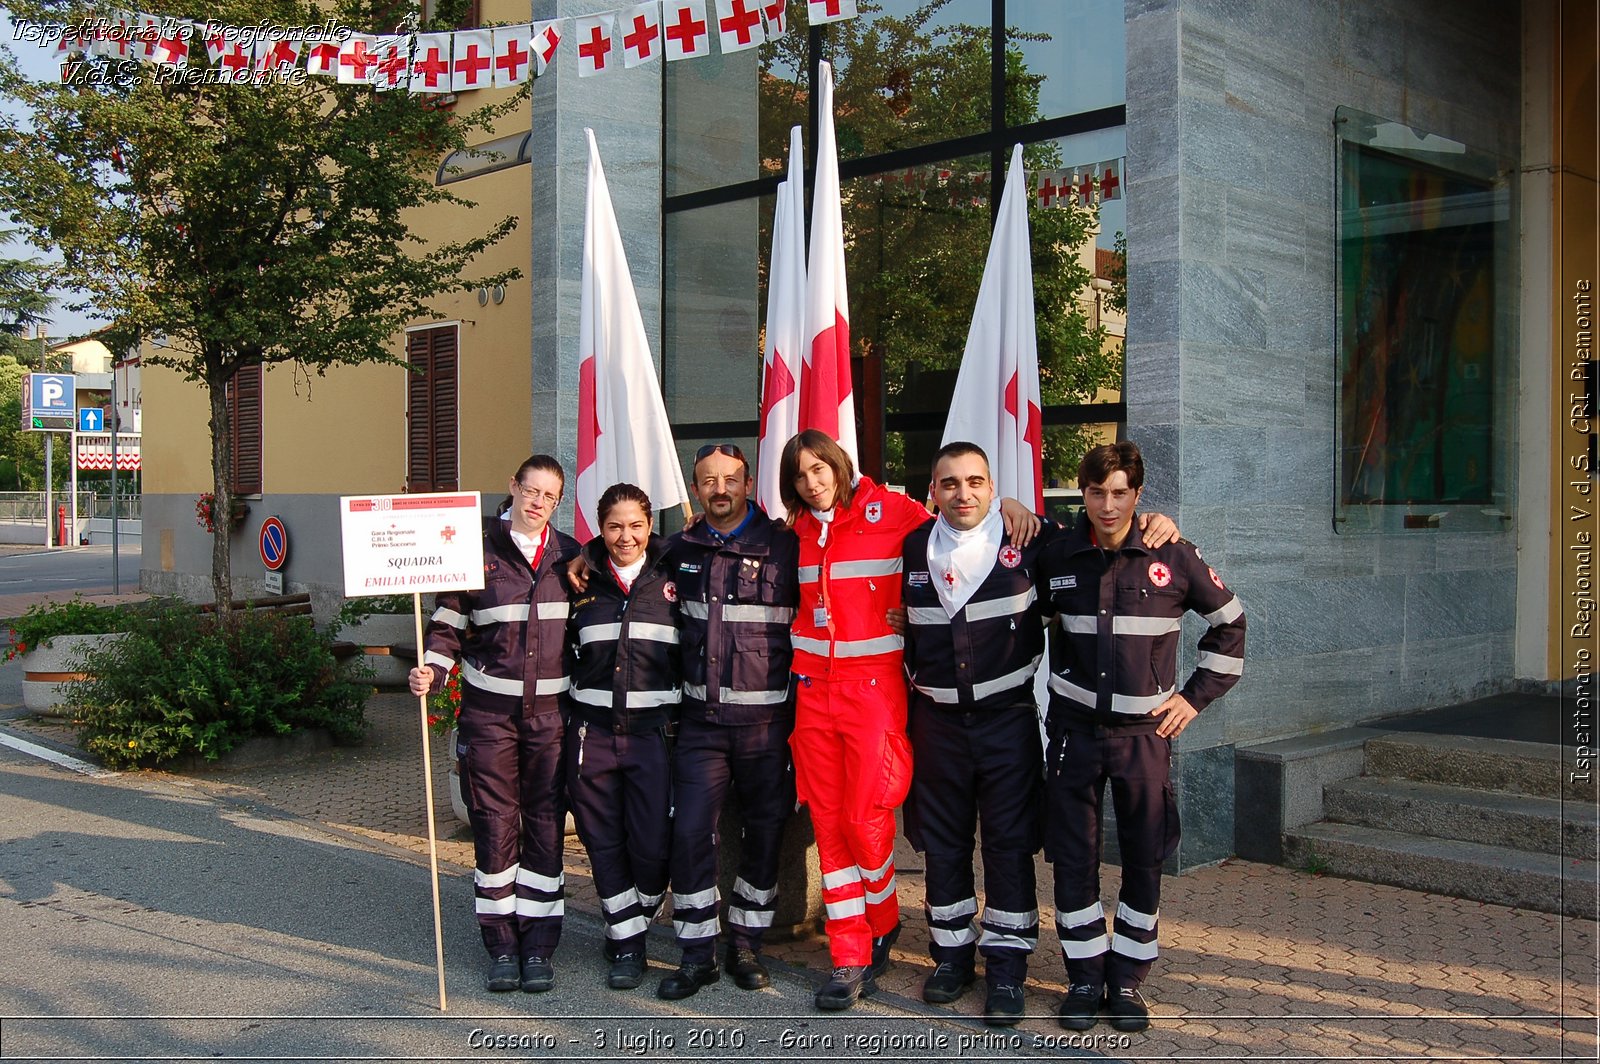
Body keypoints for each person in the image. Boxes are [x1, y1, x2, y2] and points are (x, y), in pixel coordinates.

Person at [902, 442, 1178, 1026]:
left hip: (1007, 722)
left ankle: (1006, 968)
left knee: (1008, 843)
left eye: (977, 482)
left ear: (992, 486)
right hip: (937, 725)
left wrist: (1155, 521)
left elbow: (1103, 534)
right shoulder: (909, 547)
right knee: (943, 844)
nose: (963, 493)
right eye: (949, 483)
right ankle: (952, 957)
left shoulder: (1032, 543)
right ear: (933, 490)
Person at [780, 428, 1041, 1011]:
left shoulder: (893, 511)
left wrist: (1010, 506)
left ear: (839, 464)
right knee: (829, 824)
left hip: (874, 695)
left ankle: (884, 924)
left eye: (820, 468)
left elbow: (961, 517)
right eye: (800, 474)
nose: (813, 482)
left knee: (865, 816)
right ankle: (852, 953)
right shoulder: (793, 530)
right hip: (812, 697)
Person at [1036, 441, 1246, 1034]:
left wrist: (1192, 698)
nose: (1108, 505)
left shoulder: (1171, 555)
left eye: (1120, 492)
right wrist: (1006, 503)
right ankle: (1082, 977)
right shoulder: (1057, 553)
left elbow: (1232, 624)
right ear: (1082, 492)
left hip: (1143, 739)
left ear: (1138, 494)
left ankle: (1126, 980)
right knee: (1073, 859)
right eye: (1097, 492)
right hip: (1073, 734)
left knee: (1144, 860)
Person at [408, 455, 581, 995]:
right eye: (530, 490)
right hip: (490, 720)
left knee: (546, 825)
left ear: (558, 502)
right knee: (495, 824)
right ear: (513, 487)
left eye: (549, 496)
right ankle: (502, 945)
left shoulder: (573, 557)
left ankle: (539, 946)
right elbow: (447, 624)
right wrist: (432, 670)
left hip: (551, 720)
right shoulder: (472, 547)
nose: (538, 502)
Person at [654, 443, 799, 1001]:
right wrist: (582, 558)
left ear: (749, 482)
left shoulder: (787, 547)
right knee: (690, 833)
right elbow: (621, 556)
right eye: (709, 480)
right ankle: (696, 952)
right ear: (696, 489)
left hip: (767, 727)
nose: (720, 489)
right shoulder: (678, 548)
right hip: (700, 727)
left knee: (763, 833)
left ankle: (745, 943)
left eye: (731, 479)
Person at [562, 483, 681, 991]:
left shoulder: (675, 576)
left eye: (635, 525)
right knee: (602, 842)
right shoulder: (579, 582)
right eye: (613, 526)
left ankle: (634, 914)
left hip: (655, 735)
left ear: (650, 526)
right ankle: (628, 945)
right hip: (593, 734)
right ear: (600, 529)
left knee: (654, 847)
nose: (625, 536)